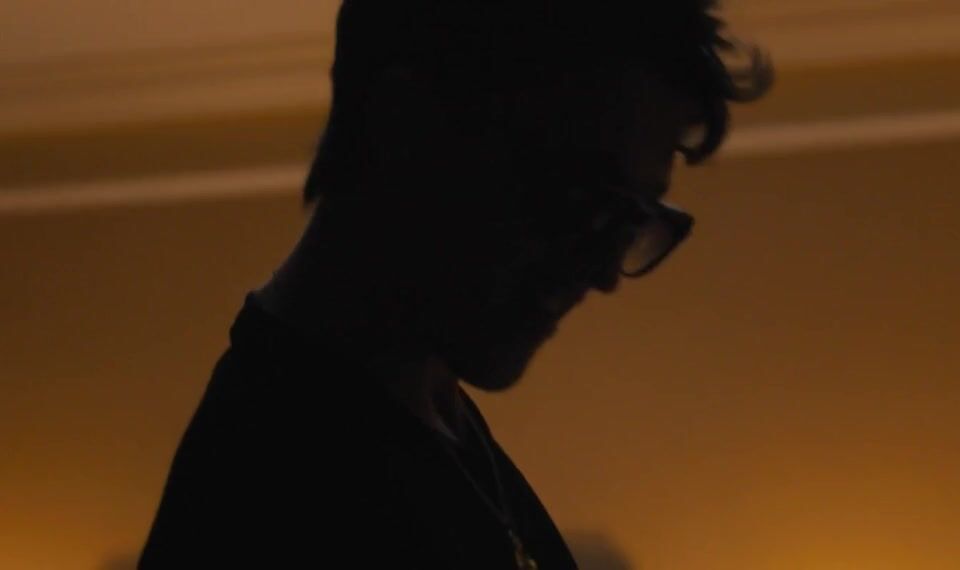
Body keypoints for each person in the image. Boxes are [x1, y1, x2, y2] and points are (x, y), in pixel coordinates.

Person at [138, 0, 771, 568]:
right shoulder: (278, 494)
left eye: (632, 219)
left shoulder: (433, 425)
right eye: (580, 199)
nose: (604, 272)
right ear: (405, 128)